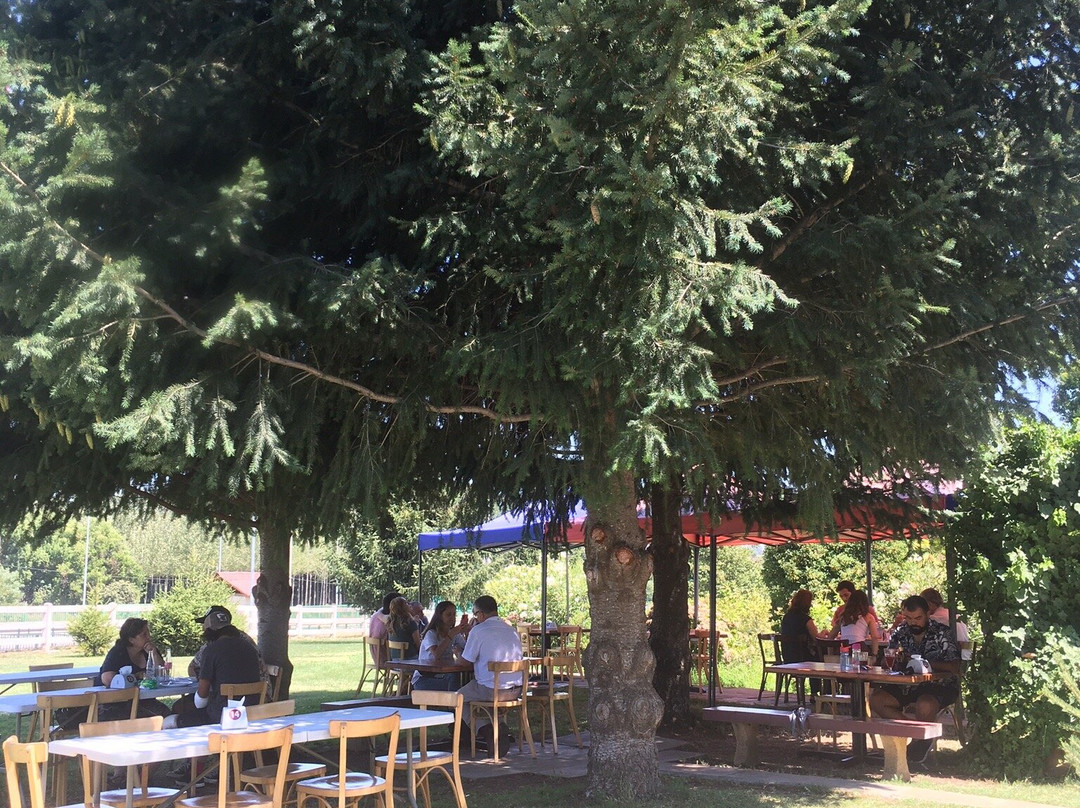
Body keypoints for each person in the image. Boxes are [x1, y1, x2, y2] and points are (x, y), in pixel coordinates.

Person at [869, 594, 961, 765]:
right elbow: (887, 658)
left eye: (918, 618)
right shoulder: (901, 631)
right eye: (908, 618)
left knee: (925, 703)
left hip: (939, 685)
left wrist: (922, 662)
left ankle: (920, 740)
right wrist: (893, 659)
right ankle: (919, 735)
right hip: (908, 685)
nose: (913, 623)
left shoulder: (942, 632)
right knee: (877, 699)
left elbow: (954, 667)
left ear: (927, 614)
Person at [173, 607, 264, 728]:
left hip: (222, 716)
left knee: (170, 721)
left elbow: (201, 700)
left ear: (210, 632)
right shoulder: (249, 647)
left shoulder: (211, 649)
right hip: (251, 712)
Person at [457, 595, 522, 757]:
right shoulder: (512, 630)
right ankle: (497, 726)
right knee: (477, 692)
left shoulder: (478, 631)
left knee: (457, 699)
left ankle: (486, 730)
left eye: (475, 614)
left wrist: (457, 652)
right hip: (516, 690)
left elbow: (465, 662)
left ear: (481, 614)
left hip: (491, 690)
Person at [97, 617, 172, 719]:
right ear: (131, 639)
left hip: (144, 700)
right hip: (116, 703)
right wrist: (136, 676)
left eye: (148, 633)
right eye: (144, 634)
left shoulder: (150, 650)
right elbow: (107, 679)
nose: (149, 637)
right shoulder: (118, 652)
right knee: (156, 718)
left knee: (167, 715)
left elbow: (164, 674)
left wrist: (154, 654)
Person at [412, 600, 469, 691]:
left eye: (454, 614)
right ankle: (454, 699)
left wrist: (469, 633)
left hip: (444, 674)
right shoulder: (431, 633)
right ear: (440, 616)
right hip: (424, 678)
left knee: (464, 679)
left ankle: (457, 698)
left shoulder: (455, 634)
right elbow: (436, 654)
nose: (452, 618)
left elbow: (468, 650)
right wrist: (450, 635)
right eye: (448, 615)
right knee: (454, 679)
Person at [830, 589, 880, 657]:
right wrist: (874, 654)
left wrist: (830, 653)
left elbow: (831, 636)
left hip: (844, 648)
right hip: (859, 647)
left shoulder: (843, 616)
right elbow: (875, 637)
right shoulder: (868, 617)